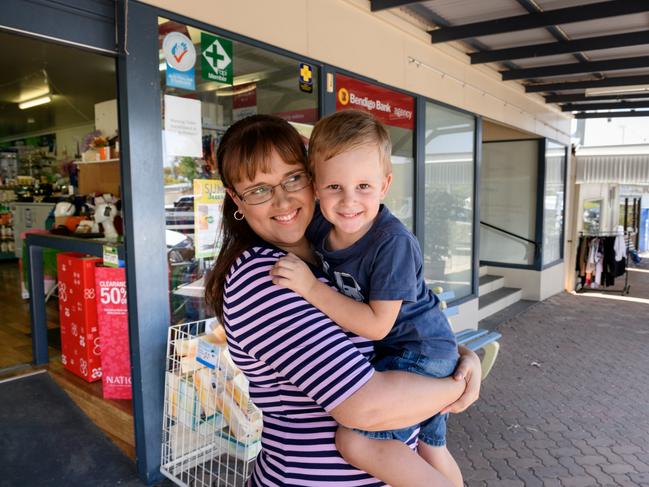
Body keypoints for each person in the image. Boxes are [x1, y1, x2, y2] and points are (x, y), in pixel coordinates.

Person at [205, 114, 481, 487]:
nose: (283, 199)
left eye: (292, 178)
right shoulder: (266, 278)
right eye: (259, 189)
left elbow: (396, 319)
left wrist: (461, 355)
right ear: (236, 200)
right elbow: (363, 406)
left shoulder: (330, 251)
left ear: (310, 181)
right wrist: (456, 385)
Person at [270, 110, 463, 486]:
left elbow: (376, 325)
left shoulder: (392, 243)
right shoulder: (323, 226)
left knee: (353, 437)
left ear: (385, 184)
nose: (348, 201)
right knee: (431, 446)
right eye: (334, 187)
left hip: (421, 353)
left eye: (363, 186)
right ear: (314, 185)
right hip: (407, 351)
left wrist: (311, 289)